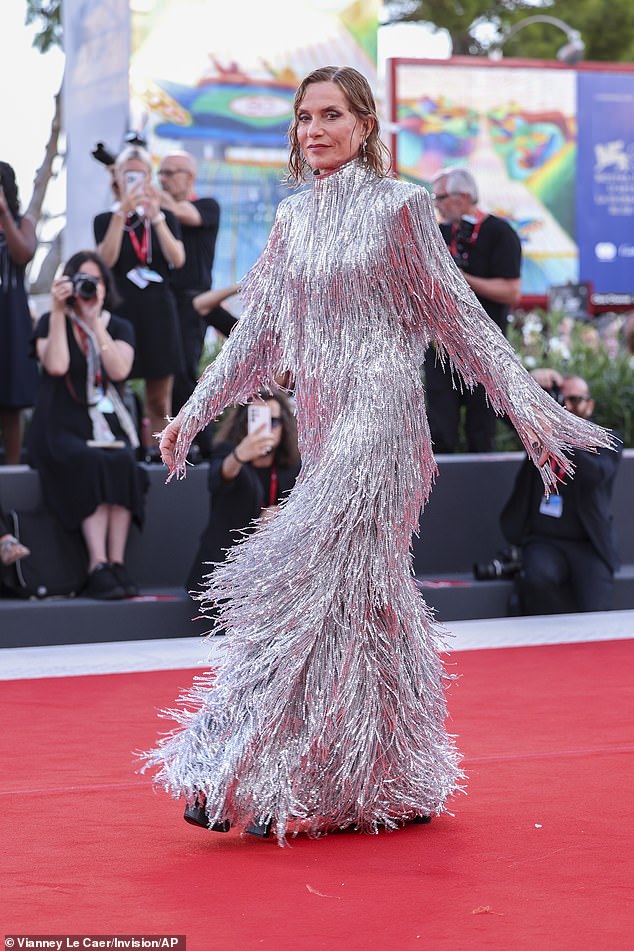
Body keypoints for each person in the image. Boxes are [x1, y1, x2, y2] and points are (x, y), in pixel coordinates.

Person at [143, 66, 614, 845]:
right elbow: (259, 332)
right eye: (303, 117)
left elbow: (464, 322)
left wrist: (537, 417)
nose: (315, 129)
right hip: (327, 427)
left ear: (364, 122)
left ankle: (234, 766)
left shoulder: (403, 206)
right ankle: (400, 777)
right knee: (372, 608)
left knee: (285, 578)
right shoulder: (291, 218)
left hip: (387, 422)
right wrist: (189, 413)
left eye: (332, 114)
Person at [28, 250, 147, 600]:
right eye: (82, 280)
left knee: (123, 460)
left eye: (94, 282)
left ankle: (116, 562)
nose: (88, 288)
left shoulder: (118, 325)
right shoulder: (52, 320)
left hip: (102, 424)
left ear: (105, 287)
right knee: (88, 460)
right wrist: (59, 311)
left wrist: (95, 322)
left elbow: (119, 371)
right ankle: (97, 564)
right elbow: (56, 365)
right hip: (58, 422)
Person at [500, 370, 622, 615]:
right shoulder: (538, 433)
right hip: (544, 542)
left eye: (575, 400)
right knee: (537, 580)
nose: (567, 406)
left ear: (589, 405)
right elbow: (501, 409)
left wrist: (560, 432)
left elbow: (594, 475)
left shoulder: (606, 440)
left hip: (589, 545)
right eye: (561, 400)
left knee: (595, 615)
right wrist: (527, 382)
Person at [424, 166, 522, 453]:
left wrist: (462, 278)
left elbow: (511, 291)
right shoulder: (437, 234)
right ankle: (442, 496)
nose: (437, 205)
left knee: (482, 431)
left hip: (485, 350)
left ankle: (482, 496)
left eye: (441, 198)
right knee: (440, 433)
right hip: (442, 348)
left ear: (464, 196)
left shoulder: (499, 232)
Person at [93, 146, 185, 448]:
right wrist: (122, 212)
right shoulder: (106, 219)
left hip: (159, 310)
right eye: (127, 175)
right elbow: (105, 260)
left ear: (149, 179)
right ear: (118, 180)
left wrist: (156, 217)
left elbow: (178, 258)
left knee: (159, 398)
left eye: (140, 175)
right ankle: (123, 453)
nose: (134, 181)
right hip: (121, 311)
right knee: (116, 389)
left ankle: (159, 458)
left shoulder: (165, 217)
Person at [186, 390, 300, 593]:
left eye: (273, 422)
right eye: (257, 420)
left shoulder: (292, 466)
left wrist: (280, 517)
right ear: (244, 423)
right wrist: (240, 455)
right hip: (225, 568)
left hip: (274, 570)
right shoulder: (228, 452)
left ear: (284, 426)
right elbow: (218, 478)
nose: (266, 429)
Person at [157, 150, 239, 420]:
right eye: (160, 173)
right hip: (165, 300)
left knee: (183, 371)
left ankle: (196, 441)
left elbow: (184, 214)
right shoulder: (159, 214)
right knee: (167, 373)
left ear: (189, 176)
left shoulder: (206, 205)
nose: (162, 180)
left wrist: (149, 194)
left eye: (169, 173)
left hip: (195, 300)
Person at [0, 161, 39, 464]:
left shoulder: (21, 222)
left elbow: (23, 253)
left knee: (11, 401)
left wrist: (3, 215)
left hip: (10, 321)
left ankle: (11, 473)